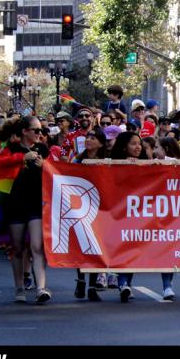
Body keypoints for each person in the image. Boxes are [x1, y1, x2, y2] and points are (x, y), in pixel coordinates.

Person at [5, 117, 52, 304]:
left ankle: (41, 287)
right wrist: (22, 158)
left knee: (37, 246)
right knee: (17, 248)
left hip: (36, 202)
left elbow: (55, 171)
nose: (40, 134)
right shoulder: (11, 149)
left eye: (41, 130)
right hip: (15, 202)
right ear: (25, 131)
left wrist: (44, 166)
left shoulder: (43, 150)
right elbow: (0, 165)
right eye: (36, 130)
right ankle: (19, 287)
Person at [110, 131, 148, 302]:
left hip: (137, 215)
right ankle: (122, 283)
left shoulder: (147, 164)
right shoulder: (112, 164)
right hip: (118, 214)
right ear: (124, 147)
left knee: (132, 250)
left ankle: (126, 283)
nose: (138, 147)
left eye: (139, 143)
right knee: (122, 249)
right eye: (133, 143)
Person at [73, 129, 107, 301]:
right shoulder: (77, 160)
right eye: (87, 137)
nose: (88, 140)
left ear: (101, 143)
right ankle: (80, 280)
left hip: (101, 208)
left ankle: (92, 286)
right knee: (82, 245)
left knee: (96, 246)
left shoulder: (107, 160)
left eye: (93, 138)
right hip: (81, 207)